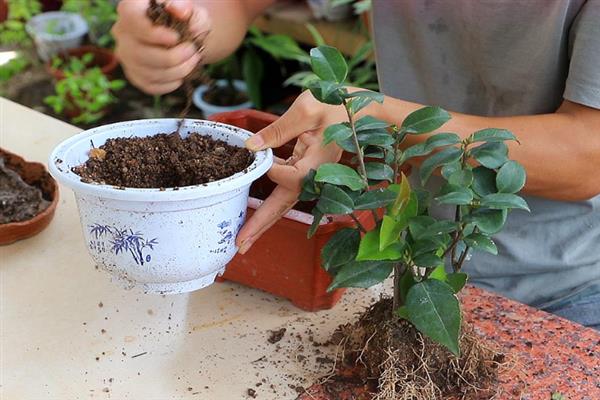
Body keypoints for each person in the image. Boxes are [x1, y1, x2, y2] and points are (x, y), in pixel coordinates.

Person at [112, 0, 600, 329]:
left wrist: (369, 118)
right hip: (407, 254)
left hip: (563, 289)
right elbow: (235, 5)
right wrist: (178, 26)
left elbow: (585, 157)